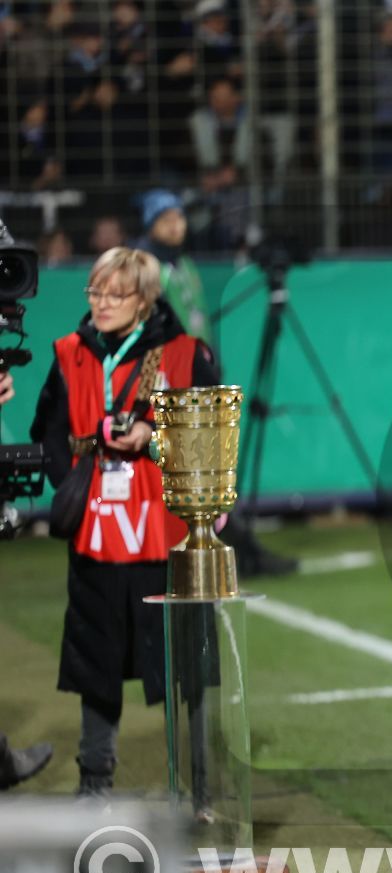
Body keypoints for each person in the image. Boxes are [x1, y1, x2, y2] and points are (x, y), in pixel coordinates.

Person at [29, 248, 220, 799]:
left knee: (187, 669)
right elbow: (48, 432)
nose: (103, 303)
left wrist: (151, 439)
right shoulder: (69, 353)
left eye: (117, 294)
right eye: (96, 291)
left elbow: (211, 438)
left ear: (146, 299)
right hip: (97, 538)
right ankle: (95, 784)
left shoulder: (185, 355)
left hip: (167, 537)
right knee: (96, 666)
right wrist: (73, 484)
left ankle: (201, 789)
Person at [133, 190, 209, 341]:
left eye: (180, 217)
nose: (176, 225)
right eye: (166, 220)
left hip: (196, 349)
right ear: (151, 226)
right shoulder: (142, 266)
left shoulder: (185, 262)